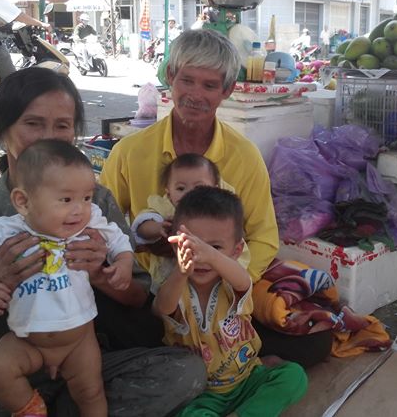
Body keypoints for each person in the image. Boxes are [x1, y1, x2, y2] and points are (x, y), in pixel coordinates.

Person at [0, 67, 206, 417]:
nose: (49, 137)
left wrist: (104, 275)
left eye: (62, 125)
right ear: (1, 130)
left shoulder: (93, 202)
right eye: (33, 123)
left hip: (82, 363)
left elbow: (140, 301)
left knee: (184, 372)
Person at [100, 29, 333, 368]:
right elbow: (106, 223)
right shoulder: (128, 152)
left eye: (209, 86)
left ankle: (187, 360)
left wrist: (225, 280)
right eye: (187, 81)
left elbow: (264, 238)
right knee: (101, 306)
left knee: (316, 342)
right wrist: (149, 247)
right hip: (156, 293)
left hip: (223, 295)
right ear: (170, 78)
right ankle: (201, 361)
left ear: (227, 90)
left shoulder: (244, 156)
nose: (195, 95)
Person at [0, 140, 135, 416]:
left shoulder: (90, 222)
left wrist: (123, 263)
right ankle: (32, 409)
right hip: (28, 340)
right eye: (66, 199)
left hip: (79, 341)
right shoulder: (1, 231)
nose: (79, 209)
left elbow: (119, 240)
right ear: (23, 202)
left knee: (91, 392)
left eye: (86, 198)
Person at [154, 187, 307, 416]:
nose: (201, 257)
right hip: (203, 395)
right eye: (194, 246)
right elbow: (161, 308)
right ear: (176, 246)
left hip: (248, 379)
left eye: (215, 247)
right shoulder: (176, 286)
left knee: (294, 377)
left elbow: (243, 281)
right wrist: (182, 272)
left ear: (236, 251)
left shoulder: (231, 282)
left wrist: (211, 256)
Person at [130, 153, 242, 294]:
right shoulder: (164, 207)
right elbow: (141, 227)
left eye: (198, 188)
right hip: (168, 278)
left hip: (212, 279)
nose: (188, 194)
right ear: (169, 192)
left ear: (215, 188)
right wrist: (158, 227)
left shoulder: (220, 212)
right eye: (181, 188)